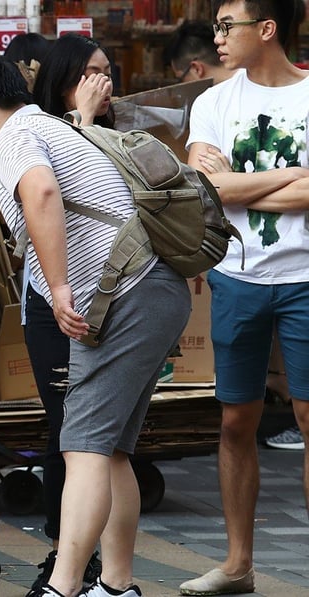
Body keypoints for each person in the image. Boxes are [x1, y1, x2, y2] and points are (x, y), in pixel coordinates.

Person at [0, 52, 190, 597]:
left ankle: (63, 586)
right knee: (111, 449)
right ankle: (117, 585)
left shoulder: (14, 137)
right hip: (155, 290)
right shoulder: (51, 126)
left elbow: (42, 193)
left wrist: (58, 289)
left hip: (127, 292)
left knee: (82, 446)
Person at [181, 0, 309, 594]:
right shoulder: (213, 102)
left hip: (306, 276)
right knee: (236, 419)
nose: (218, 38)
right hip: (237, 275)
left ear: (267, 28)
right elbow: (206, 188)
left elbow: (228, 187)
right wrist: (293, 180)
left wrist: (238, 187)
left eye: (227, 27)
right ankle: (238, 565)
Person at [21, 32, 116, 597]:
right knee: (66, 429)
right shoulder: (38, 132)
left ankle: (99, 563)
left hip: (116, 299)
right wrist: (78, 117)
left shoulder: (118, 134)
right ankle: (65, 553)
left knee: (104, 438)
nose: (103, 84)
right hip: (52, 298)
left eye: (108, 72)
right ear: (62, 82)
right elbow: (52, 193)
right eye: (90, 74)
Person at [164, 21, 234, 84]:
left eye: (181, 80)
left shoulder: (210, 97)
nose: (181, 85)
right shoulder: (243, 74)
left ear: (196, 69)